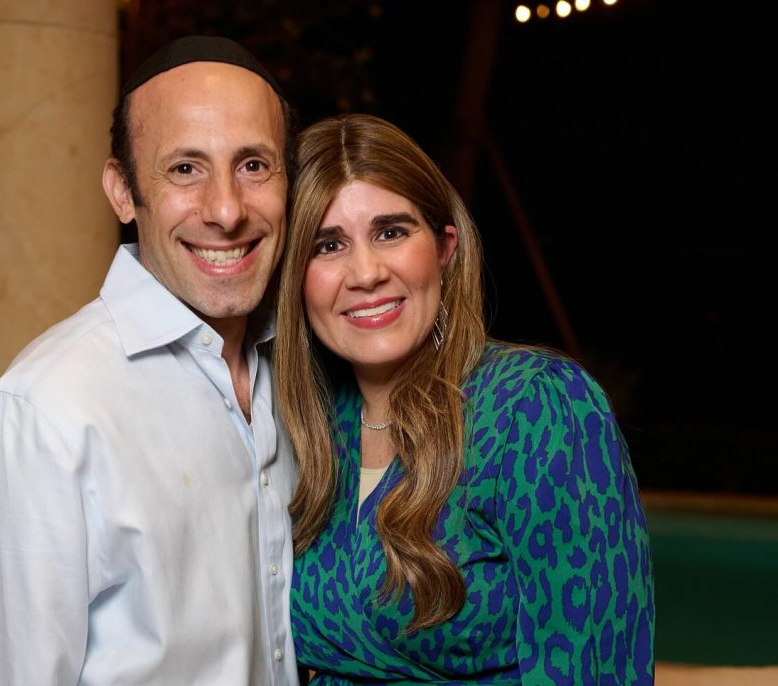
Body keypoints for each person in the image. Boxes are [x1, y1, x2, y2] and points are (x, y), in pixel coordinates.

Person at [0, 36, 300, 685]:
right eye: (185, 169)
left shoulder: (299, 370)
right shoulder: (45, 413)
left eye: (254, 165)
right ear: (121, 190)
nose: (226, 209)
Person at [274, 114, 654, 684]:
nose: (366, 273)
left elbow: (597, 669)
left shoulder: (537, 407)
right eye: (328, 245)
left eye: (391, 232)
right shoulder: (309, 425)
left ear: (444, 247)